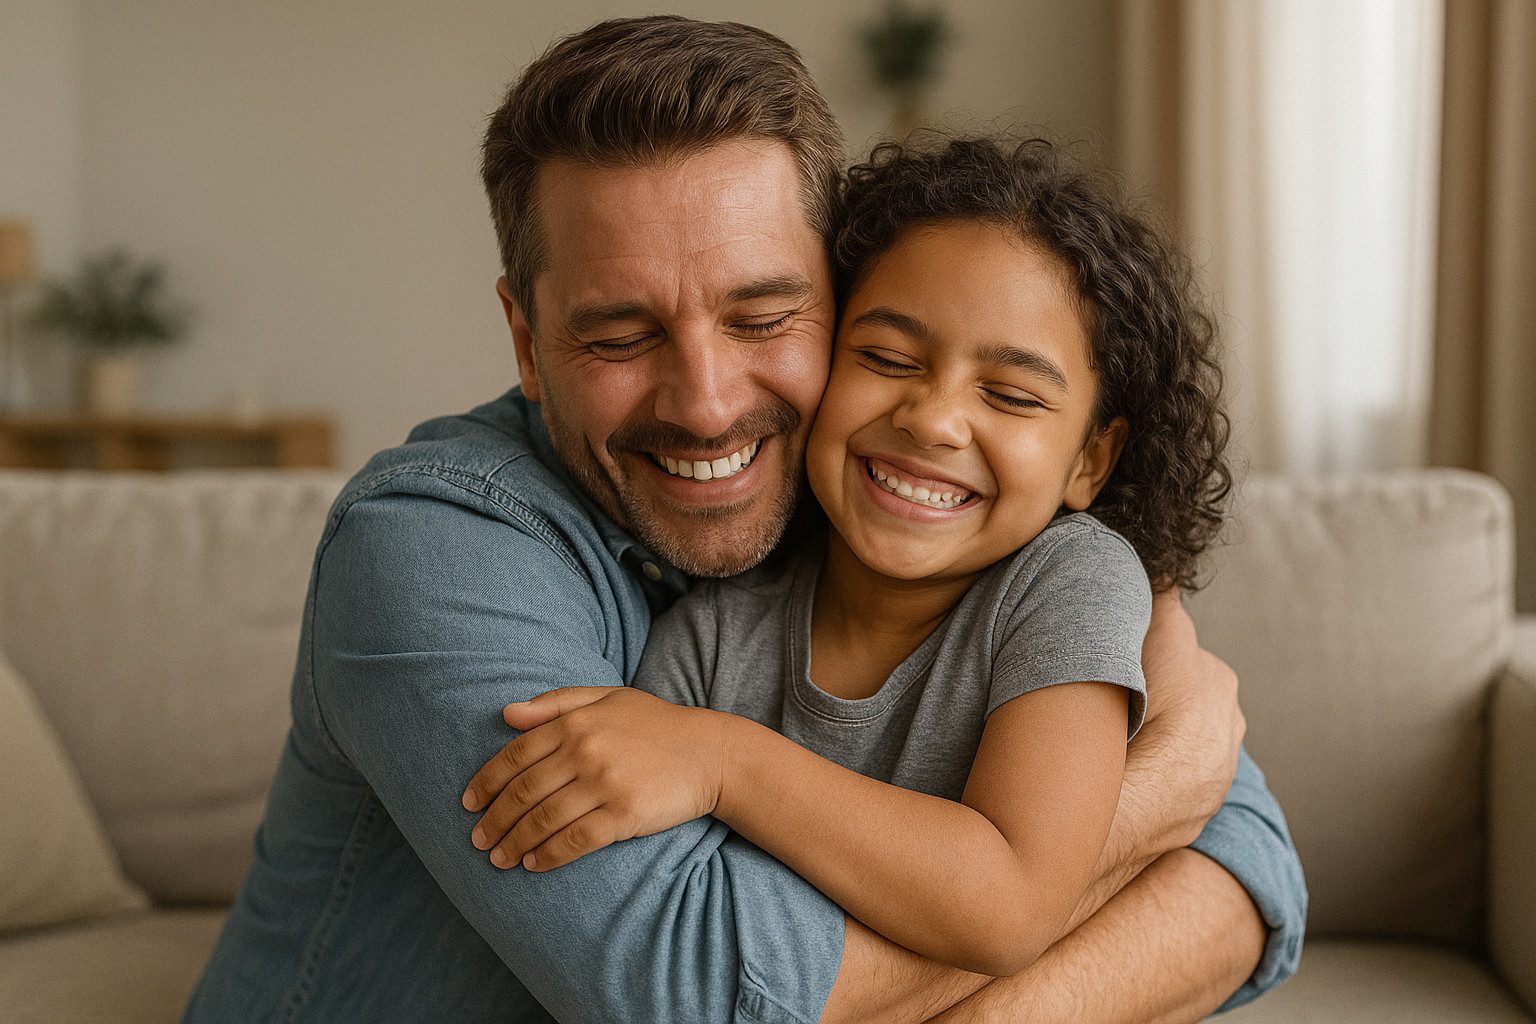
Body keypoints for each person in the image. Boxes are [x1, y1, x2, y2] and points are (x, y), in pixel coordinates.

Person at [183, 16, 1304, 1024]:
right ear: (527, 340)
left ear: (836, 294)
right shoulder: (428, 553)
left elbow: (1245, 859)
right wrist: (1160, 785)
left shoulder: (879, 507)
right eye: (621, 337)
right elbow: (705, 993)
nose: (709, 404)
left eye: (763, 317)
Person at [455, 131, 1254, 983]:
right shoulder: (707, 641)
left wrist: (724, 762)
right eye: (885, 358)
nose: (933, 419)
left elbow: (1011, 901)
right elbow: (685, 929)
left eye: (1012, 395)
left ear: (1091, 460)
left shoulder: (1070, 583)